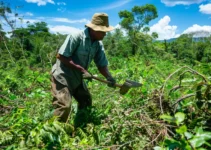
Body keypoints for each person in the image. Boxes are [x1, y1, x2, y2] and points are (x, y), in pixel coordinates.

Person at [50, 13, 116, 125]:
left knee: (86, 101)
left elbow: (101, 65)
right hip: (62, 76)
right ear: (93, 29)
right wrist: (82, 70)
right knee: (64, 106)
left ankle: (80, 127)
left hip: (77, 78)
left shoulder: (98, 44)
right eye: (103, 31)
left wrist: (109, 77)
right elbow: (61, 56)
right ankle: (55, 132)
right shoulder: (76, 36)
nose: (105, 34)